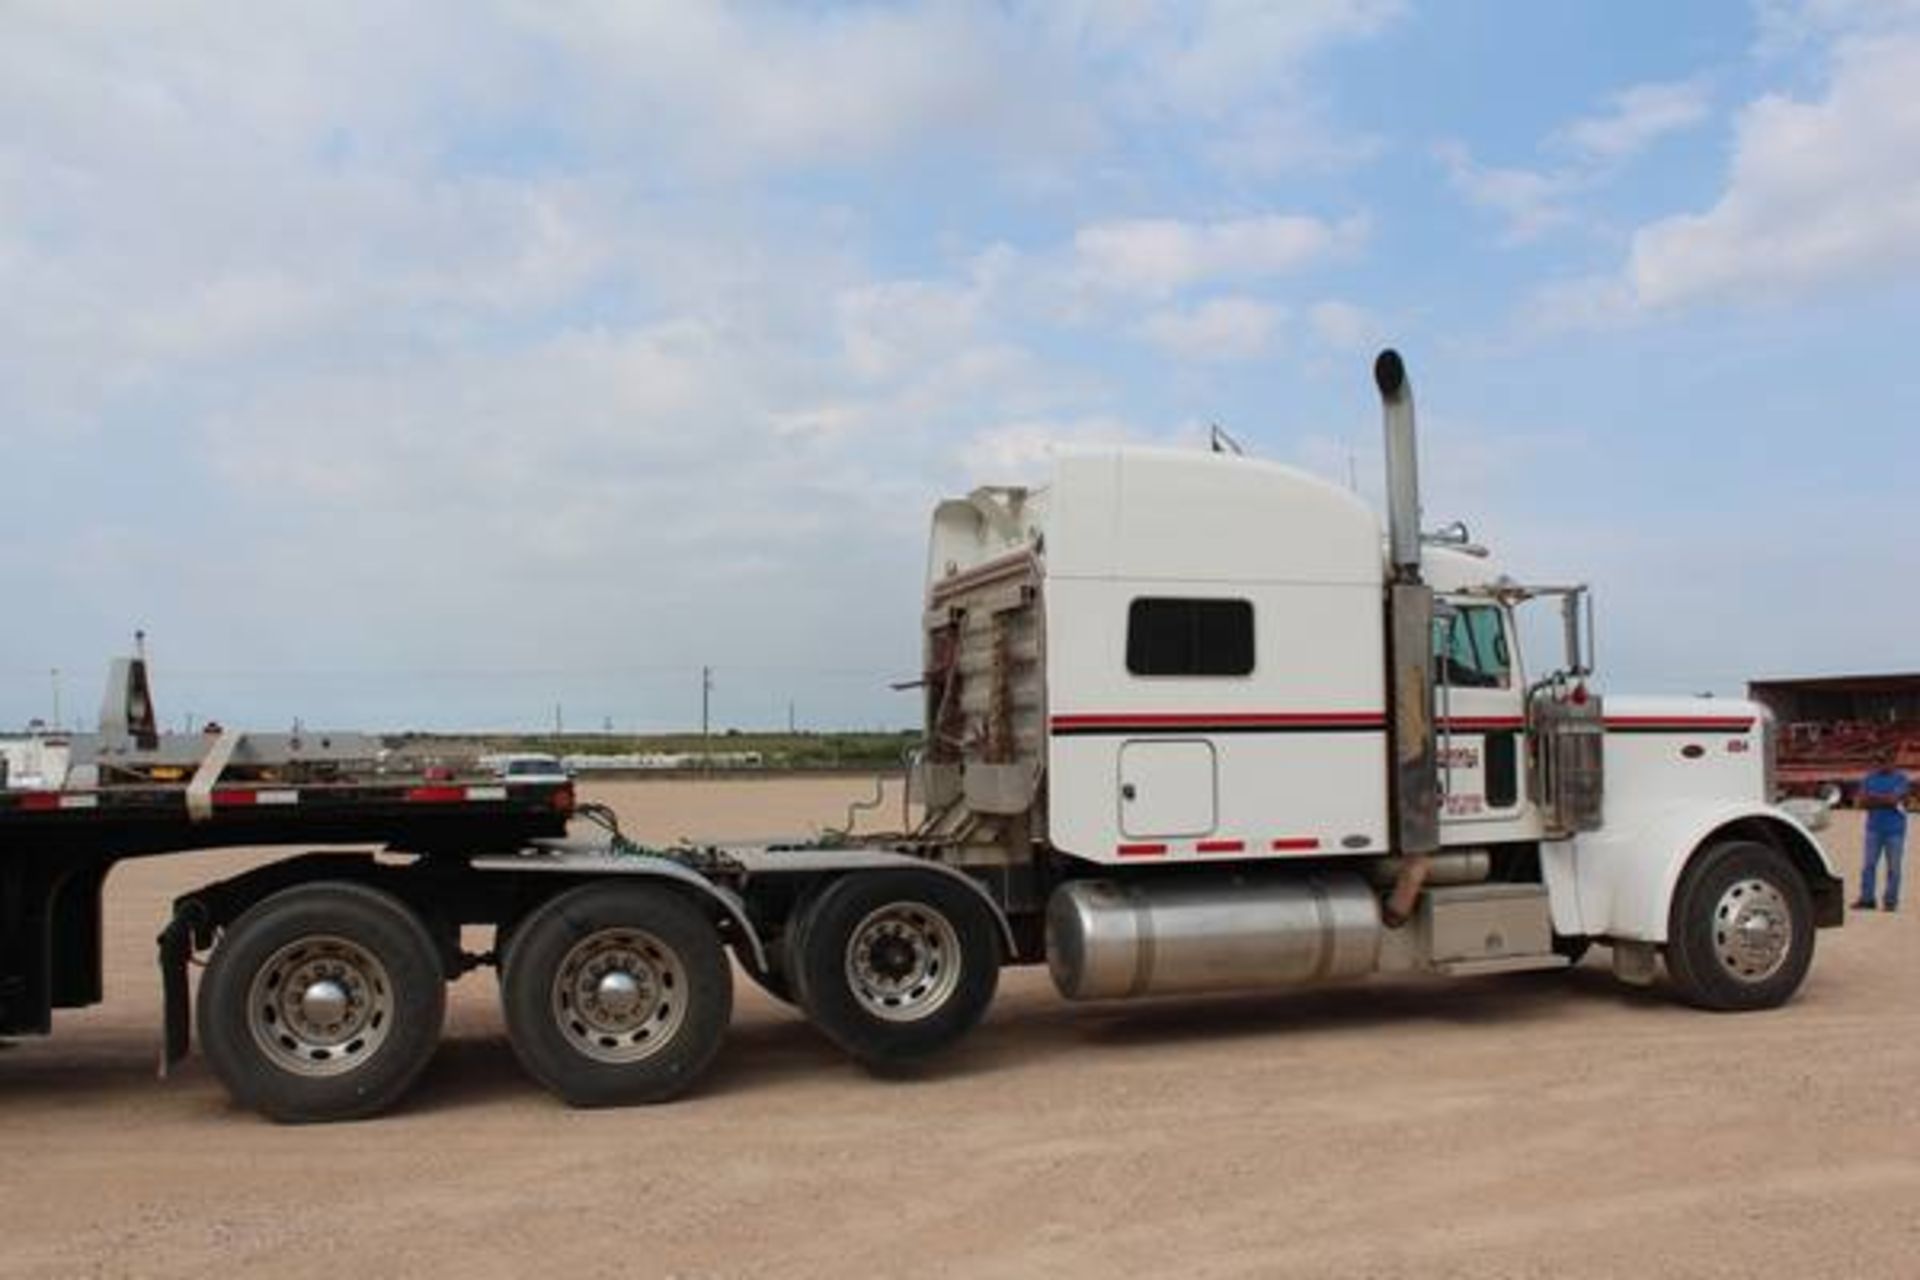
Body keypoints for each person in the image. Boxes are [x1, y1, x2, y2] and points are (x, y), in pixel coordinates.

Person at [1853, 753, 1911, 912]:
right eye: (1879, 760)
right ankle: (1867, 899)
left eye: (1885, 761)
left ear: (1892, 762)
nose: (1882, 763)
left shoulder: (1901, 778)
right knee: (1869, 865)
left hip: (1895, 830)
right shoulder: (1869, 778)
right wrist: (1885, 800)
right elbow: (1860, 802)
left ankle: (1890, 901)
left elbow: (1895, 800)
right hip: (1874, 829)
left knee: (1894, 867)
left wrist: (1874, 799)